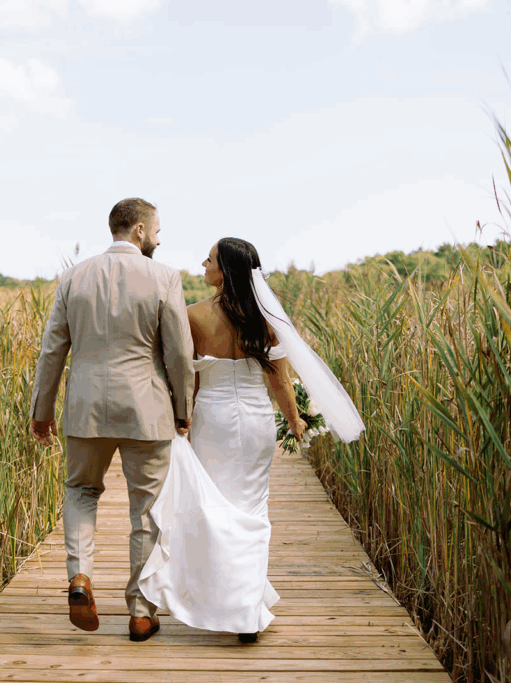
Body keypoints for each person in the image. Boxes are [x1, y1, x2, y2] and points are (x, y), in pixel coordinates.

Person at [138, 237, 365, 643]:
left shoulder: (193, 315)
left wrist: (182, 421)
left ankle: (233, 602)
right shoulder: (265, 317)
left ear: (224, 270)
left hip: (214, 418)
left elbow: (188, 378)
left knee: (219, 507)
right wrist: (295, 420)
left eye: (208, 260)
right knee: (253, 511)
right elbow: (280, 382)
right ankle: (246, 609)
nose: (202, 264)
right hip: (258, 420)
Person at [29, 198, 195, 642]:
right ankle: (141, 611)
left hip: (86, 408)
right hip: (147, 408)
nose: (160, 238)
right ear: (139, 230)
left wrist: (41, 411)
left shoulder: (73, 277)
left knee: (81, 492)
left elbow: (52, 351)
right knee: (146, 510)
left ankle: (80, 577)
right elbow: (179, 353)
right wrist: (184, 409)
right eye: (157, 230)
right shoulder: (164, 277)